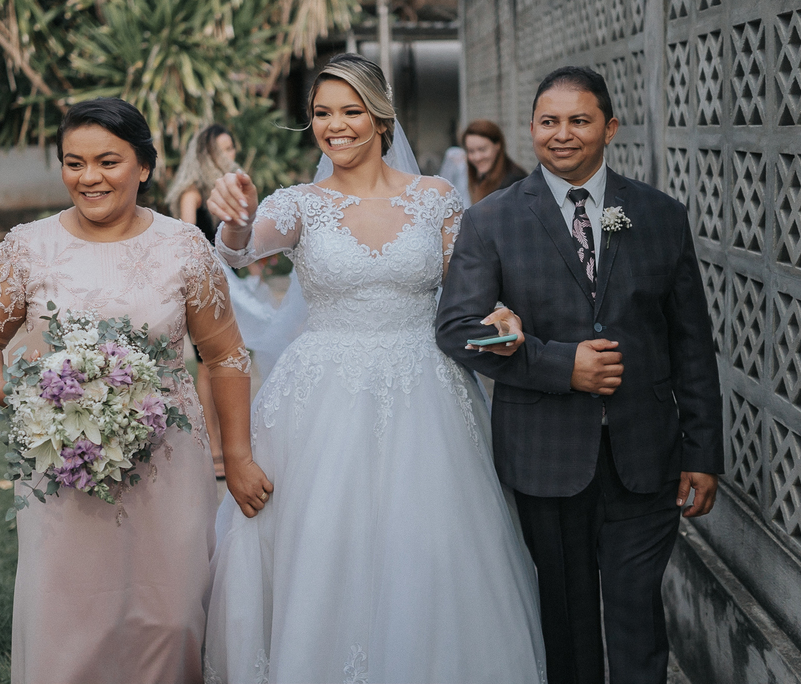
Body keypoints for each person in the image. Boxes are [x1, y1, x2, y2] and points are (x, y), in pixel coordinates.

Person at [203, 53, 545, 684]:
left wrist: (502, 319)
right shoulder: (300, 204)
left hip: (427, 396)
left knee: (430, 552)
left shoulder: (437, 199)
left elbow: (466, 292)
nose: (335, 125)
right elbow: (242, 247)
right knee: (322, 550)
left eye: (350, 111)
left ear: (381, 118)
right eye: (321, 113)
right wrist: (237, 219)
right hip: (320, 400)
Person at [0, 98, 271, 684]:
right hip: (62, 471)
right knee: (68, 621)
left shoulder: (184, 248)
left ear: (144, 167)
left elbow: (225, 354)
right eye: (73, 163)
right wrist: (29, 400)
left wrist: (241, 457)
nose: (88, 177)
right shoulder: (29, 247)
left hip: (168, 470)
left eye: (107, 161)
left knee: (171, 618)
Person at [436, 66, 724, 684]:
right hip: (546, 458)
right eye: (548, 122)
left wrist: (703, 451)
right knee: (565, 625)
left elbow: (691, 344)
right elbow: (459, 330)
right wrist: (559, 364)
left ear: (610, 127)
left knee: (637, 616)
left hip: (646, 455)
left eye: (578, 120)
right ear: (531, 129)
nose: (561, 134)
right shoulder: (490, 221)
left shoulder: (660, 215)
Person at [167, 124, 240, 478]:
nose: (232, 156)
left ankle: (230, 440)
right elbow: (187, 243)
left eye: (233, 149)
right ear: (209, 154)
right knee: (208, 368)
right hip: (204, 291)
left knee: (226, 363)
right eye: (225, 149)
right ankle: (214, 445)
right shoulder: (192, 195)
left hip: (230, 288)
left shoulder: (223, 191)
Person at [462, 118, 526, 204]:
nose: (477, 157)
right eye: (471, 151)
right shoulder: (484, 177)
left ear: (497, 146)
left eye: (482, 149)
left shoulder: (514, 183)